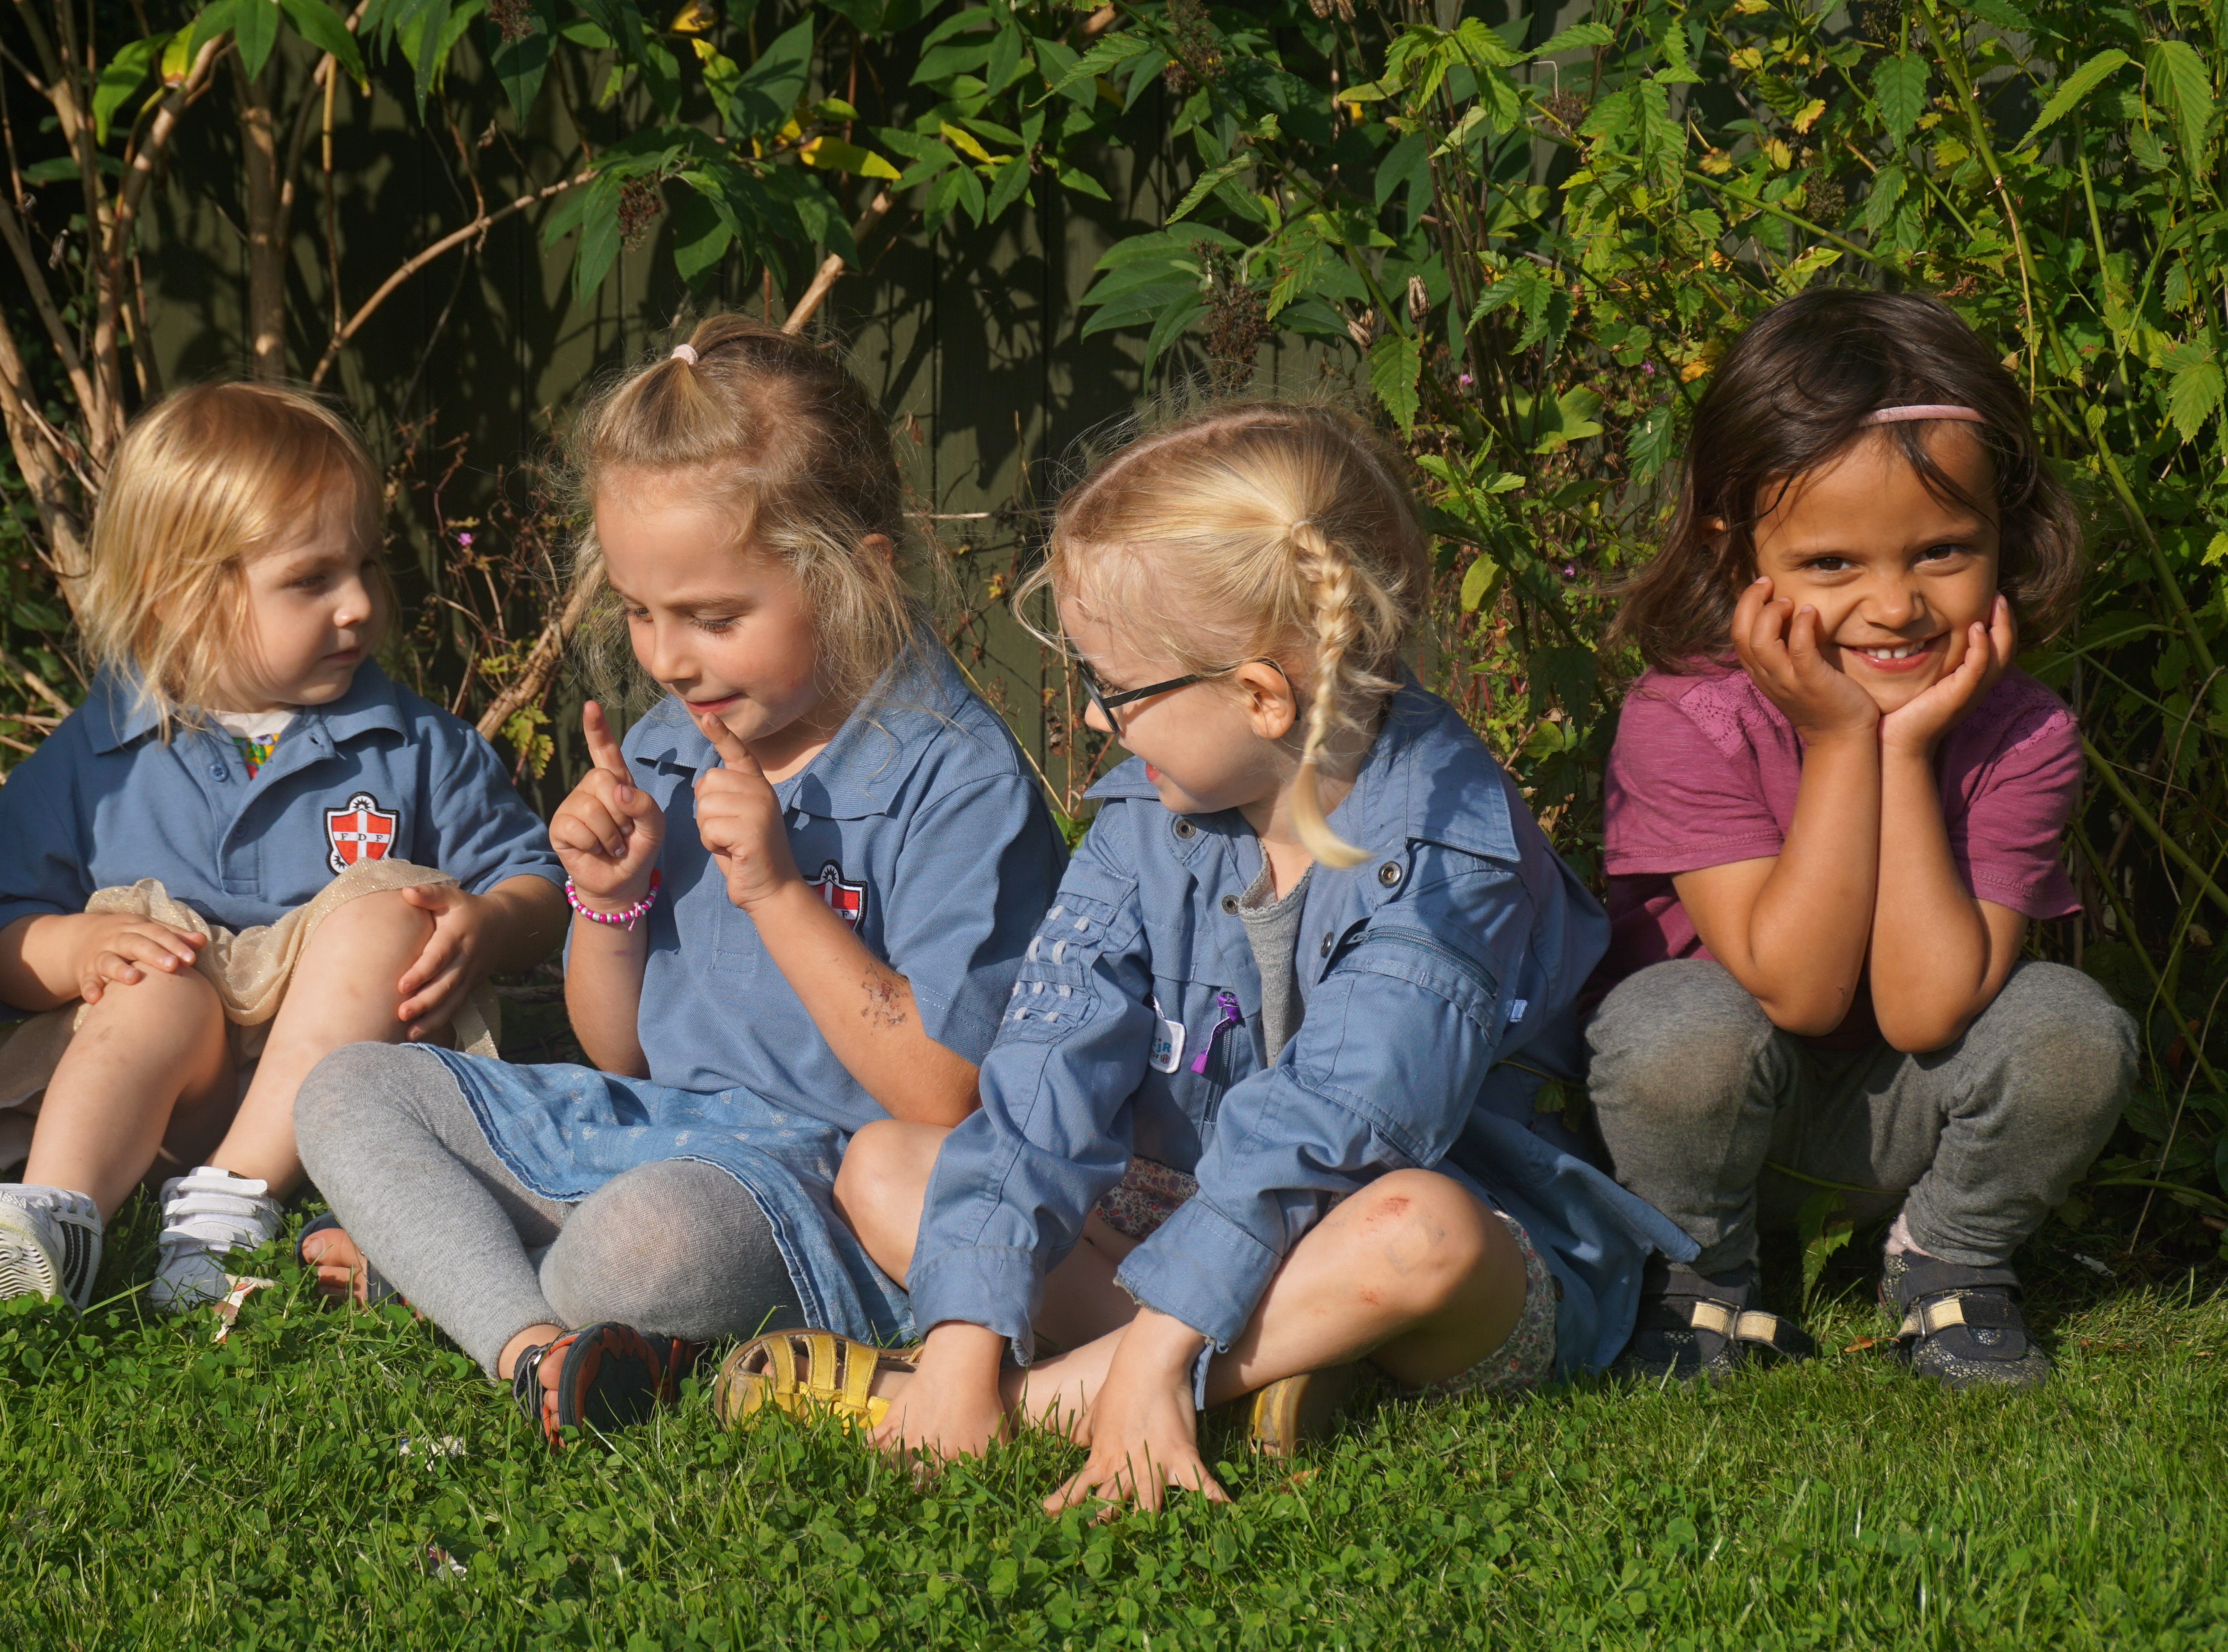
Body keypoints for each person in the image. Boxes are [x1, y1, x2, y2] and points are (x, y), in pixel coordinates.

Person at [717, 402, 1684, 1512]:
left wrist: (1142, 1343)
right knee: (888, 1164)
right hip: (1194, 1216)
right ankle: (1255, 1376)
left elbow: (1339, 1122)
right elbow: (1042, 1074)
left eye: (1116, 688)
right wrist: (964, 1329)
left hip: (1408, 1241)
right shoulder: (1147, 815)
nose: (1088, 713)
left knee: (1422, 1232)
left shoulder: (1447, 846)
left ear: (1261, 694)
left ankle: (1081, 1389)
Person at [290, 316, 1067, 1444]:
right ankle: (526, 1336)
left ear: (859, 575)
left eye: (713, 617)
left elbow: (943, 1094)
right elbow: (622, 1055)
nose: (667, 657)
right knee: (349, 1089)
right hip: (656, 1125)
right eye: (641, 611)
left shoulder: (953, 778)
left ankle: (453, 1268)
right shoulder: (674, 740)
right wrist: (608, 897)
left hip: (819, 1181)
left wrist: (778, 892)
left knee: (649, 1244)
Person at [1584, 289, 2136, 1389]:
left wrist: (1902, 751)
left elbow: (1929, 1007)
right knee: (1667, 1022)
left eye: (1942, 550)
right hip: (1721, 1117)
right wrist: (1843, 739)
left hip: (1922, 1113)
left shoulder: (2020, 732)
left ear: (2003, 538)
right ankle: (1703, 1269)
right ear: (1736, 552)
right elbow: (1795, 989)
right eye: (1833, 564)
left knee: (2072, 1029)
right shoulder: (1683, 718)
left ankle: (1950, 1259)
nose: (1895, 605)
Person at [0, 381, 565, 1314]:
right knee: (152, 970)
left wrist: (490, 923)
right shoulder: (97, 762)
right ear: (176, 599)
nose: (356, 606)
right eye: (312, 580)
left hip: (349, 1096)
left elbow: (535, 881)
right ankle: (57, 1211)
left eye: (367, 568)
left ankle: (236, 1197)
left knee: (388, 906)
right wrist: (75, 950)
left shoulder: (413, 746)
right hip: (164, 1096)